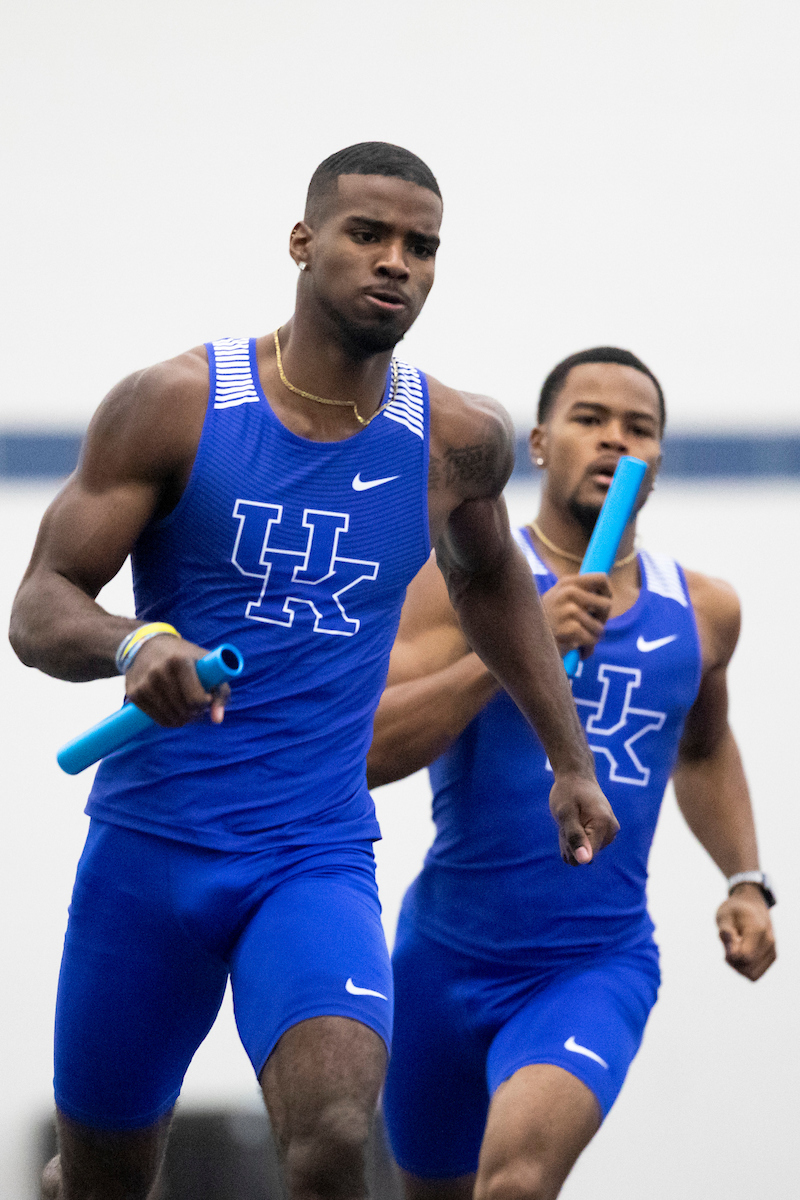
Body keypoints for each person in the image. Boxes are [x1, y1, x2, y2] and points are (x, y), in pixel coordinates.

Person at [9, 145, 617, 1200]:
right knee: (107, 1181)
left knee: (337, 1135)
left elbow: (493, 588)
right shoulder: (173, 405)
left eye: (420, 247)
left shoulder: (457, 440)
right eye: (367, 236)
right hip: (150, 853)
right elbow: (38, 606)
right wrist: (133, 642)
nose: (396, 264)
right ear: (302, 242)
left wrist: (569, 757)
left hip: (311, 853)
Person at [369, 347, 777, 1200]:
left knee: (515, 1183)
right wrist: (515, 646)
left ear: (659, 462)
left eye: (640, 429)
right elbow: (369, 748)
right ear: (542, 443)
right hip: (443, 960)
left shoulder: (703, 611)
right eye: (590, 419)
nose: (615, 441)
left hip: (594, 962)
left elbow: (702, 750)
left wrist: (746, 879)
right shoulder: (461, 584)